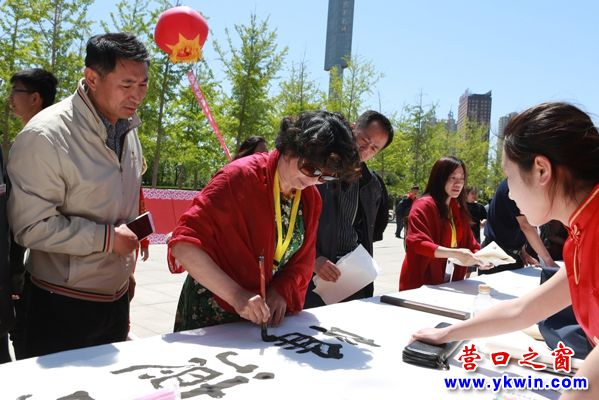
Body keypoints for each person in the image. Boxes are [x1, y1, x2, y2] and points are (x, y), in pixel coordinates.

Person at [412, 102, 599, 400]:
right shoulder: (582, 232)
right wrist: (448, 334)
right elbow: (523, 310)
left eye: (509, 177)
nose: (509, 193)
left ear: (541, 170)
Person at [7, 33, 149, 358]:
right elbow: (30, 227)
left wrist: (125, 271)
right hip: (60, 306)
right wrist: (108, 240)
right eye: (127, 84)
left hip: (116, 300)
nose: (137, 95)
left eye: (143, 85)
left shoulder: (128, 129)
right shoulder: (46, 135)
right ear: (92, 78)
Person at [168, 111, 360, 330]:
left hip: (261, 317)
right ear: (290, 149)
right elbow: (183, 244)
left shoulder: (310, 198)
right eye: (310, 168)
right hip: (212, 311)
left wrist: (280, 290)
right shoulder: (239, 177)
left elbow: (302, 260)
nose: (313, 180)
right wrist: (236, 295)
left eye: (325, 176)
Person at [303, 110, 394, 308]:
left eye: (375, 148)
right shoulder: (317, 167)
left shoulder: (371, 183)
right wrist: (313, 258)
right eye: (364, 139)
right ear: (353, 128)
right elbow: (293, 220)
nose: (366, 149)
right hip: (313, 272)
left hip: (351, 274)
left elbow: (370, 232)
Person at [2, 68, 59, 362]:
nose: (10, 98)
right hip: (31, 265)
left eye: (16, 92)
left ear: (35, 98)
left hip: (37, 268)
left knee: (25, 336)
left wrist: (15, 272)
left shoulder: (37, 141)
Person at [399, 157, 482, 291]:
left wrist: (482, 258)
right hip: (422, 281)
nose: (458, 183)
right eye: (453, 178)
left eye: (462, 178)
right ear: (440, 178)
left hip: (451, 282)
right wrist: (455, 253)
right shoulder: (423, 205)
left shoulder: (457, 208)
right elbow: (418, 243)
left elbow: (470, 243)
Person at [479, 179, 555, 274]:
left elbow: (513, 223)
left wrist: (522, 252)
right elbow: (525, 225)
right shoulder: (513, 186)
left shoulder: (520, 185)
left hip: (513, 255)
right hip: (495, 255)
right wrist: (548, 261)